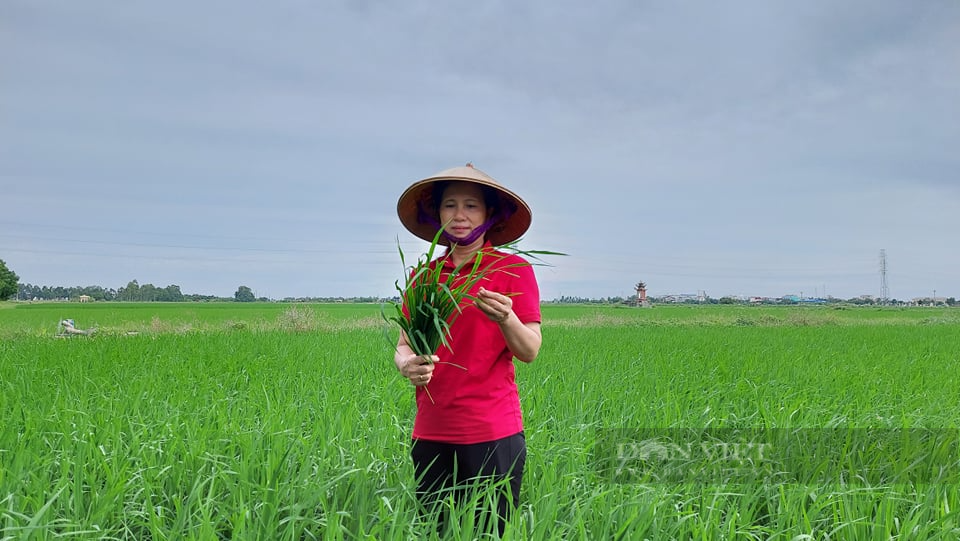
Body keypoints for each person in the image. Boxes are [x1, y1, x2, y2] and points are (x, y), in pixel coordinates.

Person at [394, 163, 542, 535]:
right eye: (450, 205)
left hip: (493, 431)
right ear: (437, 213)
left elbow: (530, 350)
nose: (459, 215)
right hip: (431, 430)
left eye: (471, 206)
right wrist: (407, 365)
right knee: (436, 531)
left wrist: (508, 319)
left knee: (489, 532)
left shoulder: (512, 270)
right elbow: (403, 346)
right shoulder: (424, 277)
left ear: (490, 214)